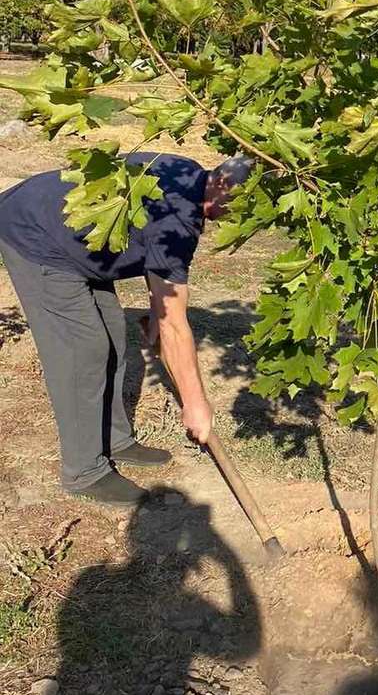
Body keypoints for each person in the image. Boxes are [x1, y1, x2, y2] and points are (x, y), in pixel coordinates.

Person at [0, 152, 251, 504]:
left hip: (83, 243)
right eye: (242, 206)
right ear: (224, 186)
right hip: (37, 236)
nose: (238, 217)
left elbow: (158, 268)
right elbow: (176, 325)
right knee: (83, 349)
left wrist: (155, 308)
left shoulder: (189, 175)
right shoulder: (178, 218)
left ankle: (114, 439)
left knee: (114, 335)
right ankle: (84, 471)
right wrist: (195, 405)